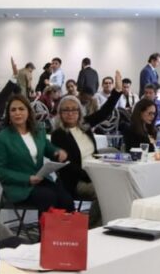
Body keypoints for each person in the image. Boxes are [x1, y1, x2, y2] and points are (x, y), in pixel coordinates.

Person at [50, 72, 123, 225]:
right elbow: (66, 165)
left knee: (119, 187)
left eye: (74, 109)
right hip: (77, 180)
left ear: (80, 111)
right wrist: (90, 175)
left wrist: (117, 91)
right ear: (60, 114)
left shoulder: (84, 125)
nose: (71, 113)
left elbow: (104, 112)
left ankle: (108, 224)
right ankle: (91, 228)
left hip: (95, 173)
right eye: (66, 110)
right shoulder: (58, 135)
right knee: (104, 192)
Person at [0, 94, 73, 212]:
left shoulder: (38, 130)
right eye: (13, 110)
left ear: (28, 112)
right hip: (19, 186)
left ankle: (66, 225)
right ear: (8, 114)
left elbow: (47, 147)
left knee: (66, 199)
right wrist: (27, 178)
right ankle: (48, 225)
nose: (17, 113)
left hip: (41, 180)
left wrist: (57, 151)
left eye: (21, 109)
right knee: (48, 198)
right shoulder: (2, 138)